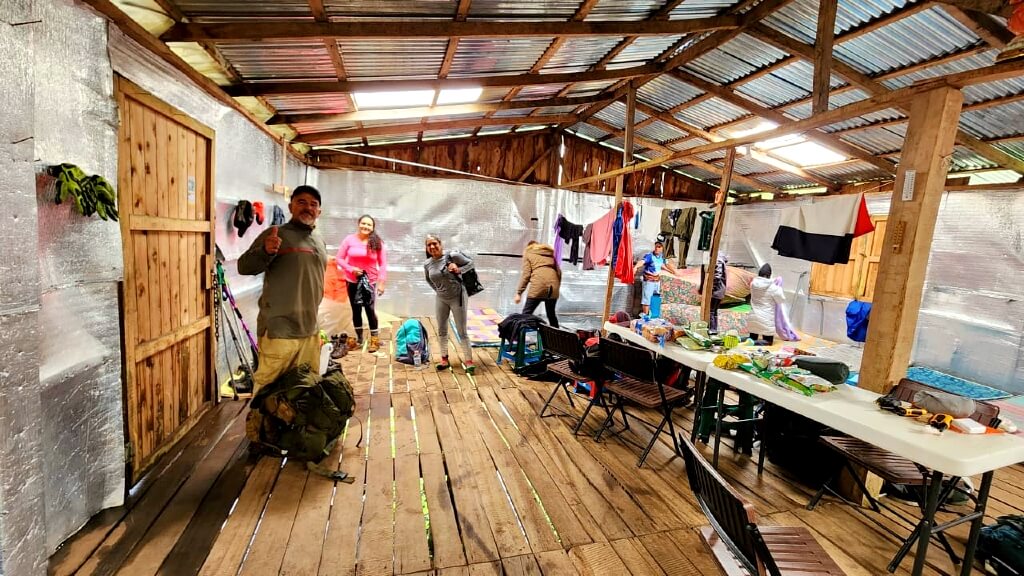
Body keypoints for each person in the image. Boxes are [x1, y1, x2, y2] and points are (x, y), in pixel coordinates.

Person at [238, 185, 327, 394]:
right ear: (291, 206)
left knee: (303, 394)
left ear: (319, 212)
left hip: (310, 330)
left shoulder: (318, 239)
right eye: (301, 202)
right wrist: (265, 251)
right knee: (267, 396)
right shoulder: (276, 235)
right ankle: (258, 428)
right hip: (280, 331)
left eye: (313, 204)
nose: (308, 208)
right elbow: (244, 267)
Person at [423, 234, 476, 374]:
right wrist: (439, 290)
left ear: (440, 244)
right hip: (441, 298)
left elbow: (471, 263)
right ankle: (444, 358)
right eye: (429, 245)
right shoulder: (427, 264)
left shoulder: (452, 256)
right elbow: (428, 279)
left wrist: (460, 270)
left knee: (461, 330)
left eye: (435, 243)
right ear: (427, 248)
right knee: (441, 329)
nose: (432, 247)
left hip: (458, 297)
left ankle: (469, 361)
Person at [336, 214, 387, 353]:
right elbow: (339, 259)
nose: (366, 226)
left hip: (370, 281)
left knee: (370, 310)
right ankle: (359, 339)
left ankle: (374, 340)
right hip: (352, 280)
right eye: (363, 223)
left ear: (373, 227)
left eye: (369, 225)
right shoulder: (349, 240)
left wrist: (382, 283)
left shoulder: (377, 243)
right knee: (356, 309)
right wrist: (351, 269)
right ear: (359, 224)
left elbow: (382, 264)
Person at [514, 240, 561, 327]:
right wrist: (556, 288)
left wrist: (519, 293)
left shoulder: (528, 253)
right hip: (553, 287)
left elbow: (526, 275)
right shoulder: (550, 255)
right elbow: (559, 272)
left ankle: (518, 338)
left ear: (528, 247)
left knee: (526, 314)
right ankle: (557, 339)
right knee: (551, 315)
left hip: (539, 285)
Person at [633, 240, 678, 316]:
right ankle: (645, 315)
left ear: (662, 248)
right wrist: (636, 267)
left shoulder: (661, 257)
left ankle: (653, 315)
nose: (657, 248)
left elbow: (662, 264)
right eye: (656, 246)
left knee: (655, 298)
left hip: (657, 280)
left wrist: (672, 271)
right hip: (649, 280)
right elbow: (642, 262)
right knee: (647, 299)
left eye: (659, 247)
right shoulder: (649, 256)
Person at [748, 263, 785, 345]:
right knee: (768, 341)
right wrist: (778, 286)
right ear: (769, 275)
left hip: (753, 316)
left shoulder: (753, 284)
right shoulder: (773, 287)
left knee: (752, 337)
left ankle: (744, 340)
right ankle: (752, 343)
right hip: (766, 318)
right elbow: (781, 300)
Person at [710, 253, 727, 332]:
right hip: (720, 290)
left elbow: (717, 276)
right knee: (714, 311)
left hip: (716, 290)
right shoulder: (721, 260)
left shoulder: (717, 260)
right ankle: (714, 330)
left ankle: (712, 330)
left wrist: (711, 288)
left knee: (711, 311)